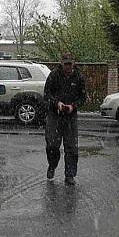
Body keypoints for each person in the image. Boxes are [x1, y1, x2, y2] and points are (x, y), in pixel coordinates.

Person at [43, 52, 87, 185]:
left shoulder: (79, 77)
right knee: (52, 145)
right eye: (65, 63)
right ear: (61, 63)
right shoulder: (54, 75)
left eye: (70, 63)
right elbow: (47, 94)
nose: (68, 66)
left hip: (70, 117)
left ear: (73, 63)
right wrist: (57, 103)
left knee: (71, 148)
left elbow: (83, 97)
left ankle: (70, 175)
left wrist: (73, 106)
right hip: (54, 115)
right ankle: (52, 165)